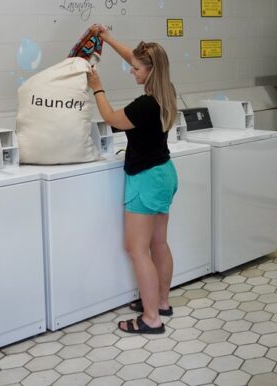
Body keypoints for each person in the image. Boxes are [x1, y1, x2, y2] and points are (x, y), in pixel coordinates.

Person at [86, 24, 179, 335]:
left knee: (136, 249)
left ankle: (151, 318)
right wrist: (108, 38)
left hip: (145, 179)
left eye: (135, 68)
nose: (131, 71)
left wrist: (97, 86)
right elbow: (138, 57)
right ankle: (162, 302)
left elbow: (112, 120)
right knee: (158, 242)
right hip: (164, 173)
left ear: (149, 71)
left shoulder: (143, 105)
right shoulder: (166, 90)